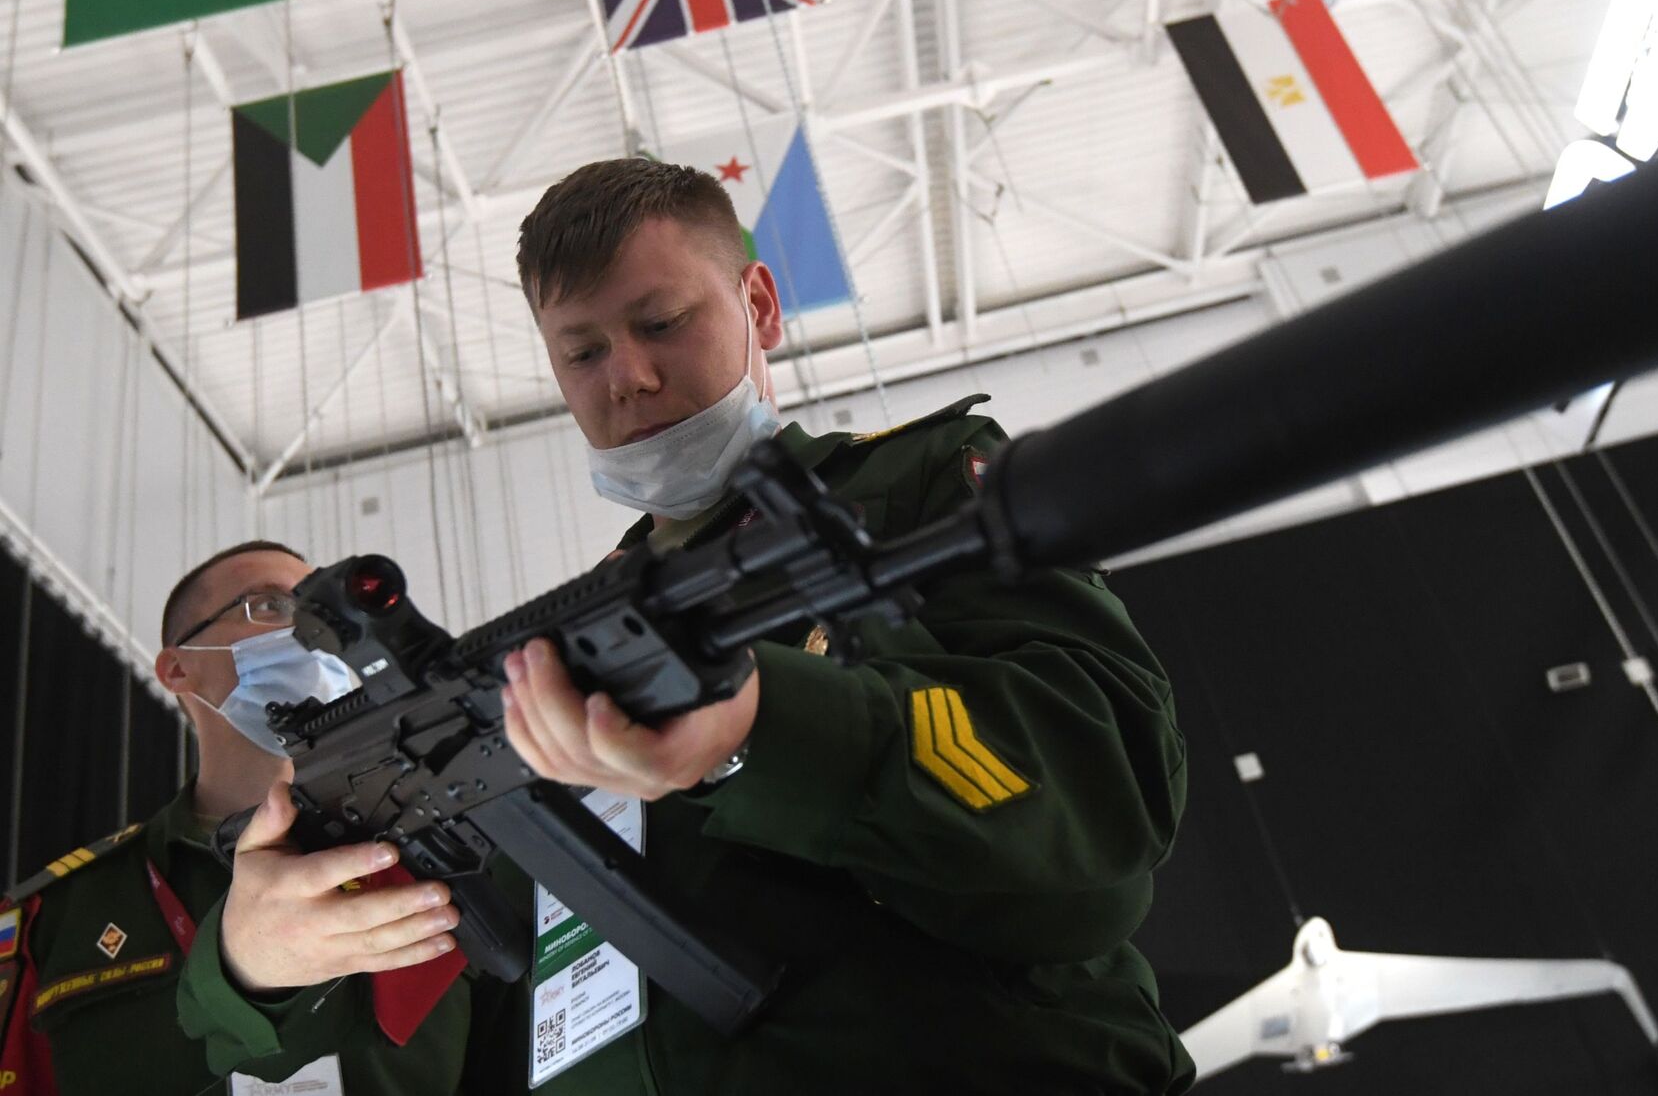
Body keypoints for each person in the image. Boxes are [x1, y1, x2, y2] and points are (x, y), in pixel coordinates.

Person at [182, 158, 1197, 1093]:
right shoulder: (546, 656)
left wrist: (763, 724)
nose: (626, 374)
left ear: (760, 304)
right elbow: (387, 1011)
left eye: (662, 321)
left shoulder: (910, 488)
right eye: (583, 351)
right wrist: (252, 962)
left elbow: (1104, 803)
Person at [0, 540, 476, 1094]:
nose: (310, 631)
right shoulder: (60, 913)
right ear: (179, 667)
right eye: (270, 606)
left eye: (324, 613)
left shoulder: (446, 850)